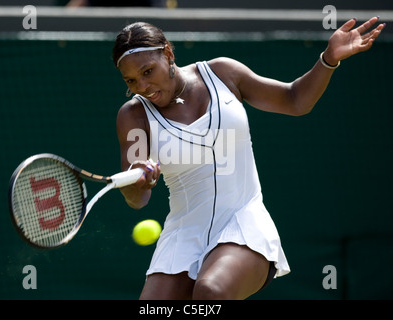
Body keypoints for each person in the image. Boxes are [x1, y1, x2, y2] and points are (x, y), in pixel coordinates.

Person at [112, 18, 385, 300]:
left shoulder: (223, 73)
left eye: (148, 71)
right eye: (131, 80)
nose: (143, 86)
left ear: (168, 53)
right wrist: (141, 181)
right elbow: (136, 199)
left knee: (210, 292)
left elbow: (295, 100)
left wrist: (328, 60)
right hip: (182, 235)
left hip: (242, 222)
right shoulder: (133, 115)